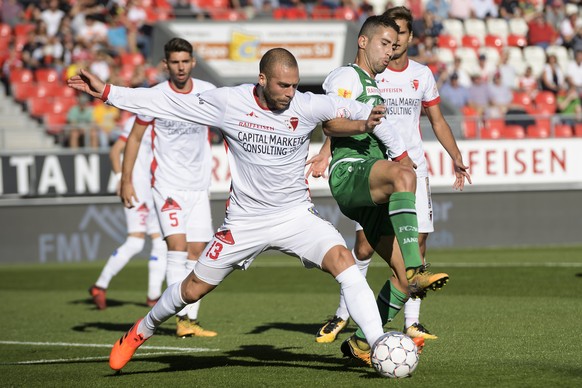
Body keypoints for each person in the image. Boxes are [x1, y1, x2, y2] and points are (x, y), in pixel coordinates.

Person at [68, 47, 427, 372]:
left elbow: (376, 116)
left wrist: (396, 153)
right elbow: (163, 104)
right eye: (283, 85)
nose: (290, 93)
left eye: (295, 85)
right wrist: (106, 92)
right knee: (192, 289)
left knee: (344, 264)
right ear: (262, 79)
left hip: (294, 216)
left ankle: (378, 342)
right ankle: (139, 331)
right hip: (245, 221)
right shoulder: (229, 102)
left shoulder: (306, 104)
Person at [312, 6, 471, 352]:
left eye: (394, 44)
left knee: (402, 281)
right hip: (350, 169)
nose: (390, 50)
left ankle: (360, 343)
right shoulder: (345, 77)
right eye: (384, 43)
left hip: (372, 175)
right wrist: (360, 128)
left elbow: (386, 131)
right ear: (363, 41)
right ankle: (416, 267)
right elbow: (330, 123)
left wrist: (403, 157)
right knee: (402, 177)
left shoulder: (375, 85)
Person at [119, 38, 218, 338]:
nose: (180, 67)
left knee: (199, 251)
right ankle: (177, 317)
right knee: (176, 247)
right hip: (167, 186)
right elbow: (134, 138)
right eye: (174, 62)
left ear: (193, 62)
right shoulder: (155, 96)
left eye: (185, 61)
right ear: (165, 64)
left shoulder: (207, 93)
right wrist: (125, 180)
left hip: (199, 186)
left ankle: (190, 320)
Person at [89, 116, 167, 310]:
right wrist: (120, 180)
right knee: (136, 241)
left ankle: (153, 296)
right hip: (136, 189)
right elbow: (115, 152)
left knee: (160, 242)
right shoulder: (136, 120)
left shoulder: (165, 117)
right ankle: (100, 285)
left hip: (156, 190)